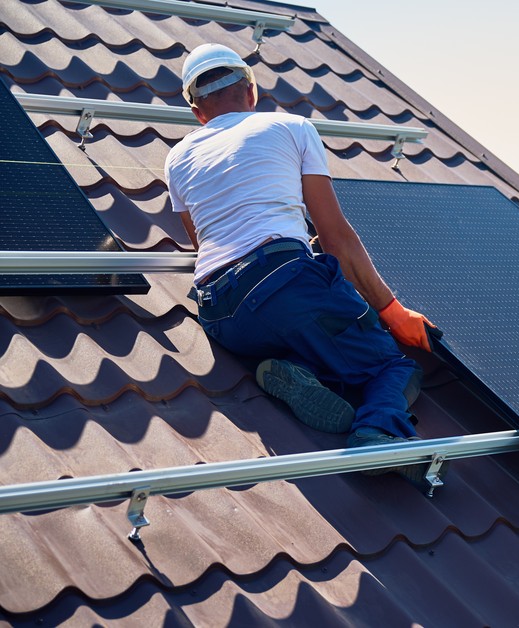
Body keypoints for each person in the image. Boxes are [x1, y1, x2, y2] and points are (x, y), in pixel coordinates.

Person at [165, 43, 437, 482]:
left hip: (220, 314)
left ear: (198, 112)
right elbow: (335, 238)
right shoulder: (292, 127)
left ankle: (298, 370)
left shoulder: (176, 158)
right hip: (283, 284)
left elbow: (205, 243)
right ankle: (375, 434)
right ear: (251, 92)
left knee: (307, 335)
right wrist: (390, 311)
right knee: (391, 366)